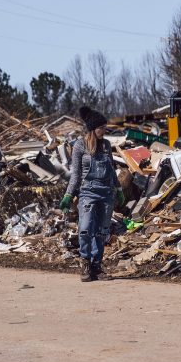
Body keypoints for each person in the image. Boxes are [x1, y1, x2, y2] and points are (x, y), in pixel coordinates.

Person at [59, 106, 125, 282]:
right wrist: (68, 195)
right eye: (101, 128)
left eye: (105, 127)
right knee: (86, 228)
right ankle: (86, 263)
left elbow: (111, 169)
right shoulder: (79, 146)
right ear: (93, 129)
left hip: (106, 193)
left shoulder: (106, 145)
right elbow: (76, 174)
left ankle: (97, 266)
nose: (105, 130)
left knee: (102, 231)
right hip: (87, 192)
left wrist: (118, 189)